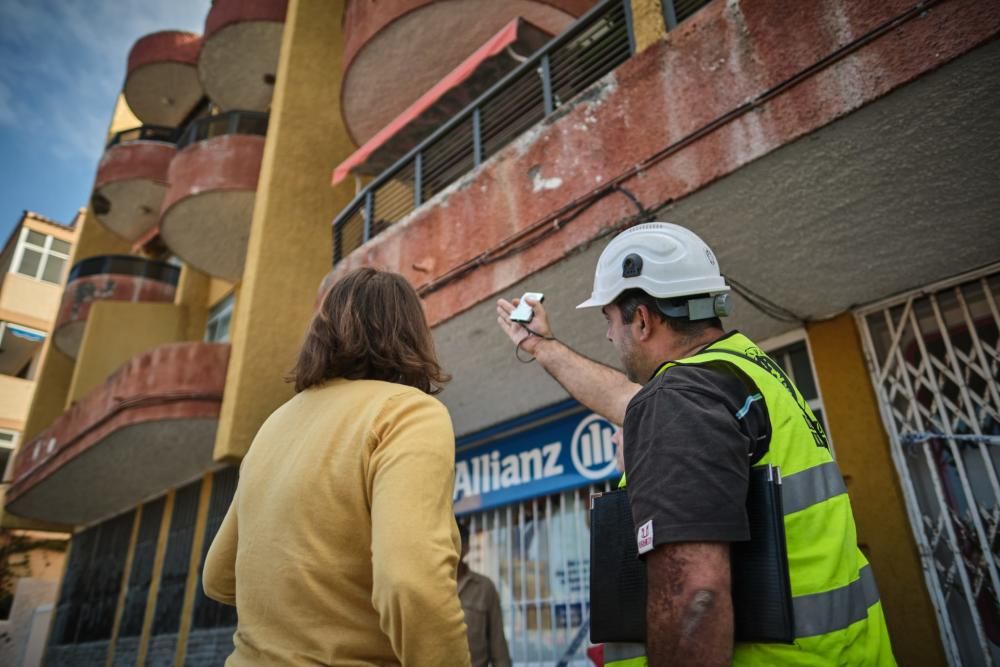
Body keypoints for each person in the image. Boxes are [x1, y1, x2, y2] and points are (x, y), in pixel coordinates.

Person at [496, 223, 895, 666]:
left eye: (608, 320)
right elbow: (630, 401)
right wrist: (541, 346)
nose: (609, 336)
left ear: (643, 320)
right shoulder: (741, 372)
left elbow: (693, 598)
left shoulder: (680, 398)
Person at [203, 267, 471, 667]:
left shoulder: (275, 425)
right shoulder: (409, 412)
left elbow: (218, 577)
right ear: (412, 334)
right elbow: (412, 583)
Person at [456, 520, 512, 667]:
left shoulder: (485, 588)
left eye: (454, 542)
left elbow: (498, 647)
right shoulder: (429, 589)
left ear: (466, 549)